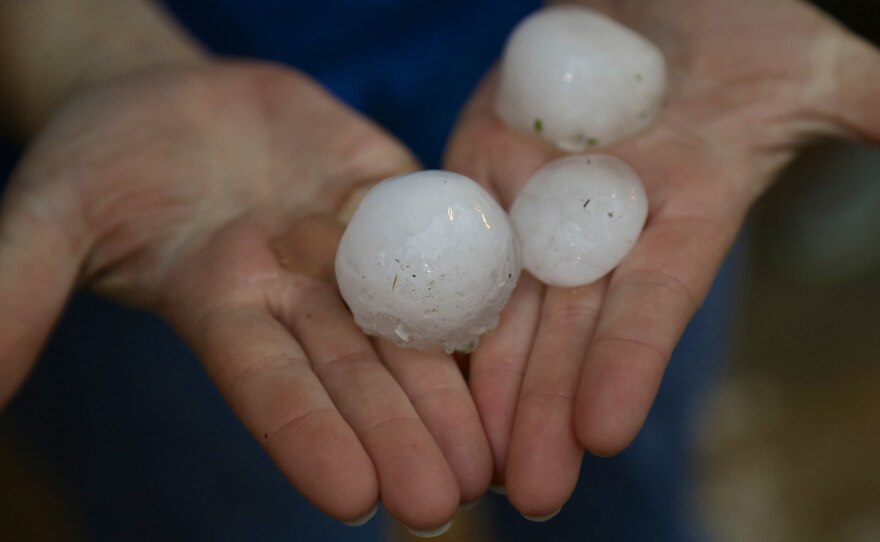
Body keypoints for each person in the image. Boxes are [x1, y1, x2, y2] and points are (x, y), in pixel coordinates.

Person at [1, 0, 878, 540]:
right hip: (193, 175)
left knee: (626, 438)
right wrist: (79, 45)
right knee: (252, 501)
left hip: (609, 89)